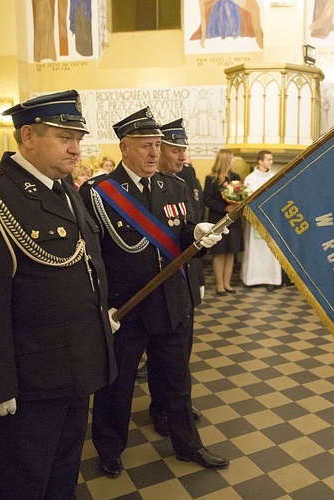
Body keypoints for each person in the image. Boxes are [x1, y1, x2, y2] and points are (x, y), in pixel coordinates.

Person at [0, 90, 117, 498]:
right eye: (64, 136)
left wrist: (97, 319)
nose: (76, 147)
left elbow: (81, 270)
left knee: (60, 480)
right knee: (18, 485)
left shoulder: (64, 189)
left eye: (78, 137)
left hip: (73, 368)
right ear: (29, 136)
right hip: (24, 383)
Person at [80, 108, 228, 478]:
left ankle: (188, 445)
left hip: (171, 303)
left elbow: (183, 236)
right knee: (117, 387)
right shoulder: (99, 193)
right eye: (145, 145)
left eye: (157, 145)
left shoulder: (174, 187)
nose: (153, 153)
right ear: (124, 148)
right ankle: (110, 449)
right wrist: (101, 307)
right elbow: (93, 255)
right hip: (126, 309)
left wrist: (198, 235)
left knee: (177, 384)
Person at [147, 118, 205, 434]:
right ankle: (162, 409)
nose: (183, 157)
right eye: (176, 150)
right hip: (154, 287)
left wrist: (199, 281)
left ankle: (177, 404)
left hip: (183, 283)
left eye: (184, 150)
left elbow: (190, 234)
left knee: (182, 352)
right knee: (161, 357)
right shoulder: (142, 190)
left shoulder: (182, 185)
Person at [204, 149, 244, 295]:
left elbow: (241, 194)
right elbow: (207, 199)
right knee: (219, 252)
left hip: (233, 220)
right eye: (232, 158)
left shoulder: (235, 177)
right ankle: (219, 284)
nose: (233, 160)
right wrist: (225, 207)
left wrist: (237, 204)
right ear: (225, 159)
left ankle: (227, 283)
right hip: (218, 219)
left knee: (231, 252)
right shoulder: (211, 179)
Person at [241, 150, 281, 291]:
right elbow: (246, 198)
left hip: (271, 219)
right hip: (255, 220)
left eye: (271, 159)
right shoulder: (250, 179)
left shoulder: (275, 177)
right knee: (255, 248)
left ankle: (272, 279)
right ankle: (252, 279)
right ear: (260, 161)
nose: (271, 162)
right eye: (269, 159)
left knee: (270, 250)